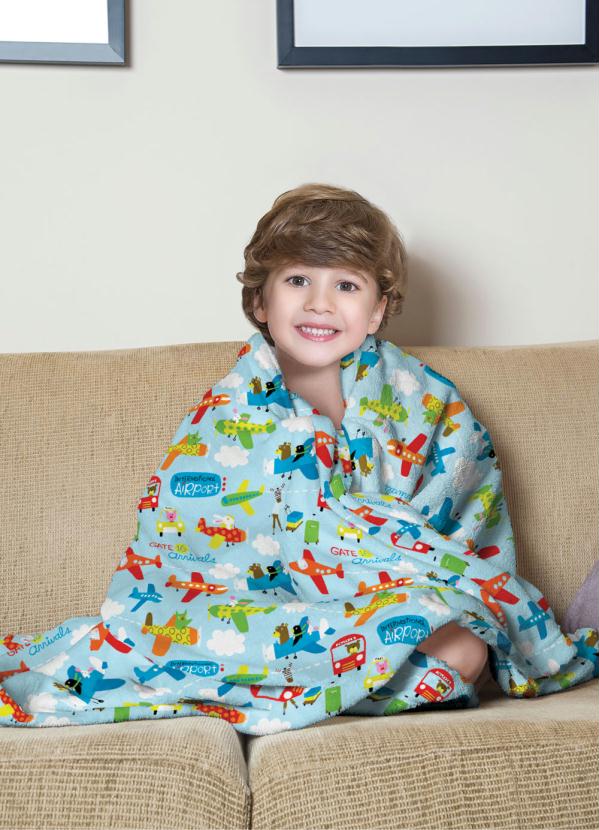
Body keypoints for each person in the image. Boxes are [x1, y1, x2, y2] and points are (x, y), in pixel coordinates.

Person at [236, 182, 490, 688]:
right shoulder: (237, 402)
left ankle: (308, 685)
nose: (320, 304)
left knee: (465, 650)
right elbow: (201, 524)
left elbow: (460, 508)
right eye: (298, 280)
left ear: (376, 310)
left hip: (386, 601)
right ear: (261, 300)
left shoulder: (422, 399)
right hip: (269, 607)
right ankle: (305, 680)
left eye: (346, 286)